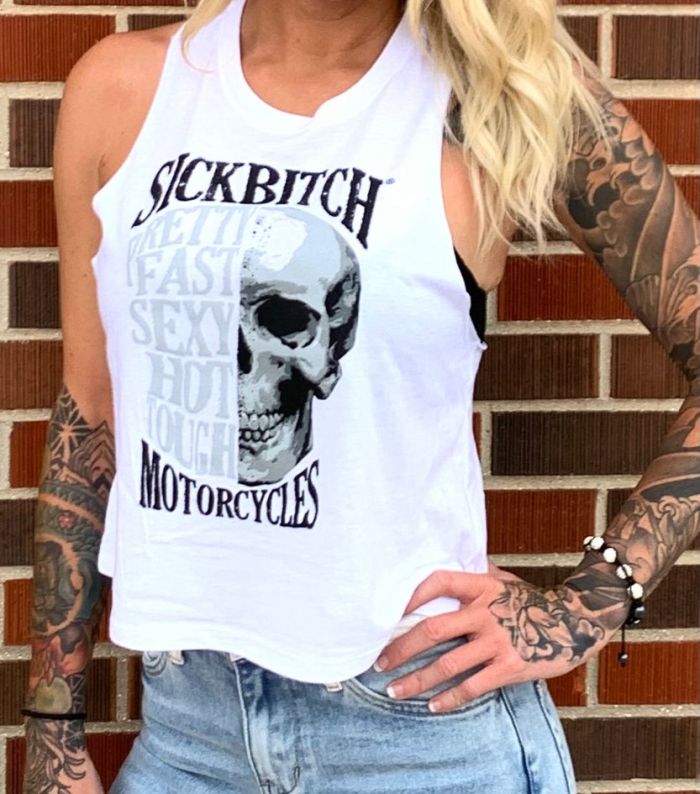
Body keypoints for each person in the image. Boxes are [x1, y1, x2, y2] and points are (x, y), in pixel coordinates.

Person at [21, 0, 699, 791]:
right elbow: (91, 410)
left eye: (287, 325)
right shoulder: (126, 89)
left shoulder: (500, 98)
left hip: (420, 732)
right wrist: (53, 731)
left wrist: (590, 603)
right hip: (188, 735)